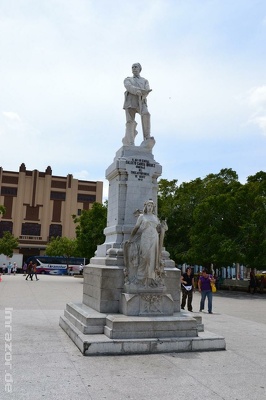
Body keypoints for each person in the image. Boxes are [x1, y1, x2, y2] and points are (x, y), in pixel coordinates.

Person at [124, 200, 167, 288]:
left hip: (154, 238)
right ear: (145, 206)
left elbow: (158, 229)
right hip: (145, 238)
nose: (150, 207)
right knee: (144, 257)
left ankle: (151, 279)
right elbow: (136, 228)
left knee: (152, 259)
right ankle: (140, 278)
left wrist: (163, 227)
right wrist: (131, 238)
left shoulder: (155, 218)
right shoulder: (141, 217)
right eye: (148, 205)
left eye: (151, 206)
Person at [122, 63, 153, 146]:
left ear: (139, 69)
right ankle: (130, 142)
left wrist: (143, 94)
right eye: (132, 67)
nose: (134, 68)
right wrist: (137, 91)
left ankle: (147, 137)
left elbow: (147, 90)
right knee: (130, 122)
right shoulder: (128, 79)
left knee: (146, 114)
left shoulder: (145, 81)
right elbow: (128, 87)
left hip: (141, 101)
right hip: (130, 102)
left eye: (136, 67)